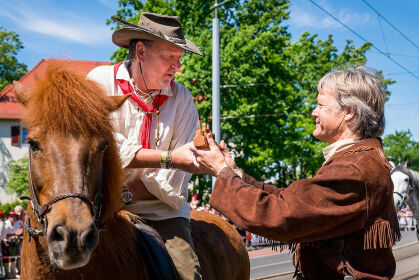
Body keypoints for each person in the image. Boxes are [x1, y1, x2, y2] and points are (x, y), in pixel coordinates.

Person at [180, 66, 400, 279]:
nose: (314, 112)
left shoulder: (354, 168)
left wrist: (221, 171)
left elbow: (282, 214)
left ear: (349, 112)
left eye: (321, 105)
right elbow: (292, 198)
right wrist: (231, 171)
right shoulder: (358, 160)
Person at [87, 12, 202, 280]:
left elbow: (173, 180)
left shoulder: (183, 100)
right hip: (99, 210)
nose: (177, 67)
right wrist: (169, 157)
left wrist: (124, 196)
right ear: (140, 51)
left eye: (179, 59)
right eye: (169, 57)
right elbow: (107, 146)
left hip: (162, 214)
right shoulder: (99, 82)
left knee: (186, 274)